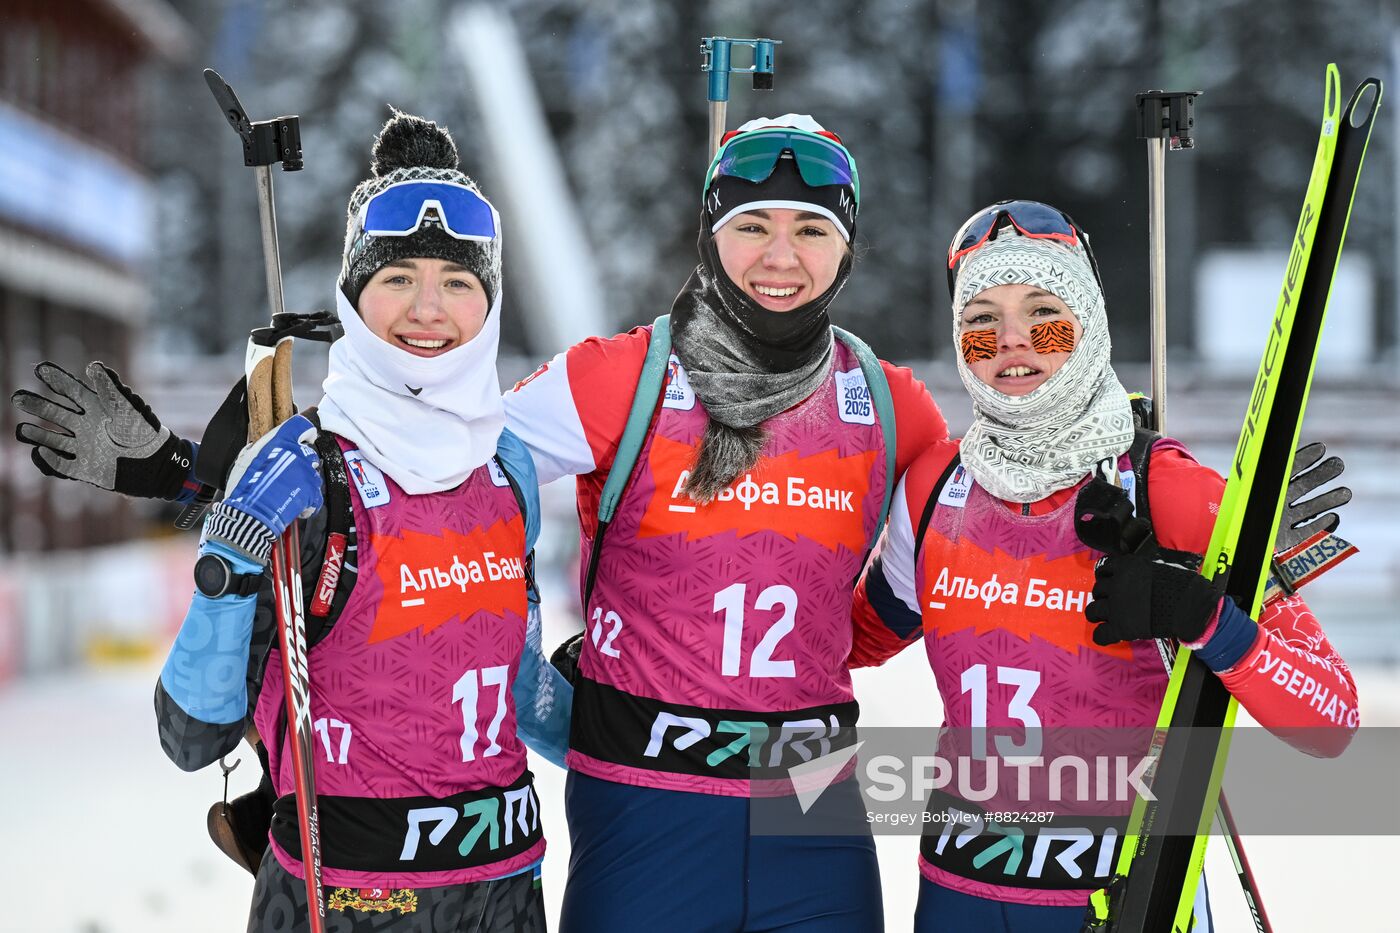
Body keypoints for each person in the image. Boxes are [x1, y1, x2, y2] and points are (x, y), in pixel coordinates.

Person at [15, 113, 947, 931]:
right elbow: (408, 472)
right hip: (621, 812)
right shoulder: (621, 376)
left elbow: (951, 562)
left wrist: (838, 653)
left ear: (848, 244)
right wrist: (200, 484)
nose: (780, 254)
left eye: (811, 228)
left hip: (801, 793)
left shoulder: (891, 401)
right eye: (751, 224)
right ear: (711, 236)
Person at [15, 112, 570, 932]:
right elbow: (192, 734)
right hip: (341, 901)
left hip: (506, 894)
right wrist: (228, 556)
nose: (428, 307)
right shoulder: (304, 473)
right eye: (397, 279)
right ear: (354, 294)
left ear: (489, 300)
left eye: (457, 281)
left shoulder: (508, 467)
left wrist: (690, 735)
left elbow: (524, 692)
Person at [848, 200, 1360, 932]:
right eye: (981, 318)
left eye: (1045, 314)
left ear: (1087, 322)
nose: (1012, 342)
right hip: (957, 895)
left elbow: (1332, 717)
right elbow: (848, 638)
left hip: (1125, 896)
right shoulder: (935, 484)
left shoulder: (1165, 487)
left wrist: (1205, 619)